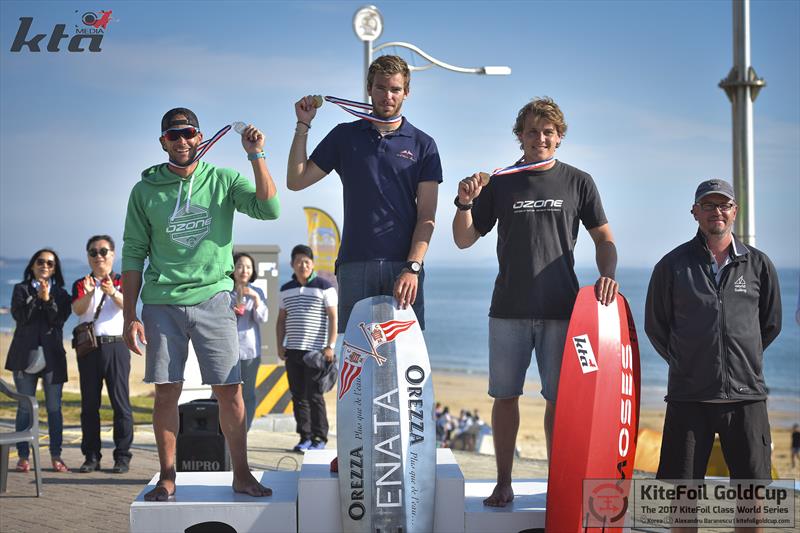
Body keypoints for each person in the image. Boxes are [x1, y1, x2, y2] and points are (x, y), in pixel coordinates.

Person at [452, 97, 619, 507]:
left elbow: (604, 238)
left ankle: (557, 483)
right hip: (508, 309)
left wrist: (608, 275)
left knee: (559, 404)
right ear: (520, 135)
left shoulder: (579, 181)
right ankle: (504, 482)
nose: (539, 138)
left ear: (559, 138)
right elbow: (464, 239)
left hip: (563, 311)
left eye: (548, 132)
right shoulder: (501, 181)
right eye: (531, 131)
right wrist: (463, 203)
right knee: (505, 397)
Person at [122, 107, 279, 501]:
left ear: (199, 136)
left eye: (188, 133)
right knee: (166, 392)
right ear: (163, 142)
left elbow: (269, 208)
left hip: (214, 298)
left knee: (231, 392)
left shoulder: (223, 180)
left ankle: (241, 475)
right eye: (173, 136)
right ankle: (167, 477)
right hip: (162, 304)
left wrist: (256, 154)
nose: (182, 141)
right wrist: (130, 315)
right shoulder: (145, 191)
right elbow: (132, 253)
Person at [645, 179, 782, 531]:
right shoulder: (672, 265)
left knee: (750, 498)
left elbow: (770, 324)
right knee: (684, 501)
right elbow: (656, 326)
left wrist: (741, 360)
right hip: (690, 398)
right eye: (708, 205)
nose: (716, 212)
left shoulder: (758, 265)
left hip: (746, 398)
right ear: (695, 212)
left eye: (724, 205)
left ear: (734, 212)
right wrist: (689, 363)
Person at [288, 55, 442, 331]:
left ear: (406, 92)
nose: (387, 96)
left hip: (402, 267)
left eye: (395, 89)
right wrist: (303, 125)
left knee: (403, 361)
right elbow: (297, 180)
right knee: (356, 362)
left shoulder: (423, 145)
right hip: (354, 265)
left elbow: (427, 216)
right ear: (369, 89)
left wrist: (413, 267)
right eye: (381, 88)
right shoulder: (344, 136)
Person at [5, 248, 72, 473]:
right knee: (25, 408)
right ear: (33, 265)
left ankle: (56, 456)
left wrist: (48, 299)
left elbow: (59, 320)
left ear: (55, 269)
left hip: (52, 359)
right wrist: (37, 298)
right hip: (25, 357)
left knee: (54, 408)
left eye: (50, 264)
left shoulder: (62, 294)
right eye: (40, 262)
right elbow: (20, 317)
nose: (45, 266)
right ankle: (23, 457)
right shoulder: (20, 289)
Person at [71, 235, 133, 474]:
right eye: (93, 252)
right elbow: (77, 309)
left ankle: (122, 457)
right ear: (88, 256)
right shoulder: (81, 282)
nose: (99, 256)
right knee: (89, 405)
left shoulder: (122, 280)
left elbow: (128, 306)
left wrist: (112, 292)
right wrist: (90, 293)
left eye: (104, 251)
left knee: (121, 404)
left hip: (117, 346)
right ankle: (91, 456)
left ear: (113, 254)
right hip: (90, 347)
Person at [276, 245, 337, 452]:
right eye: (299, 261)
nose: (303, 265)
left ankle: (320, 438)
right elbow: (281, 320)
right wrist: (279, 345)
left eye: (307, 262)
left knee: (315, 397)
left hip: (316, 352)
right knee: (298, 396)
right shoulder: (285, 289)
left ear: (312, 264)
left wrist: (330, 346)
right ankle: (305, 437)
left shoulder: (325, 286)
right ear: (292, 264)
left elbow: (333, 317)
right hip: (292, 350)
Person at [231, 252, 268, 430]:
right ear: (233, 269)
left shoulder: (258, 291)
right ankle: (224, 430)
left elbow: (262, 319)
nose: (244, 270)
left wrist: (256, 298)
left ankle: (244, 429)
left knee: (248, 394)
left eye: (248, 267)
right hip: (226, 350)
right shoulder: (225, 291)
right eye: (239, 266)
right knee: (223, 392)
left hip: (250, 351)